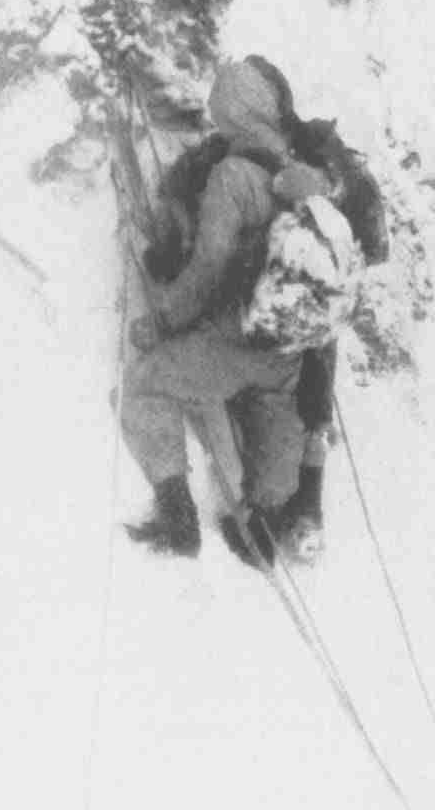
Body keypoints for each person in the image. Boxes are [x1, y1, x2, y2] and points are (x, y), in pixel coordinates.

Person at [122, 55, 330, 561]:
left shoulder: (234, 177)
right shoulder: (305, 181)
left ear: (235, 114)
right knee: (274, 492)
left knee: (146, 385)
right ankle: (270, 515)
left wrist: (164, 321)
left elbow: (208, 269)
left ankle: (177, 514)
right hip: (289, 359)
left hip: (233, 340)